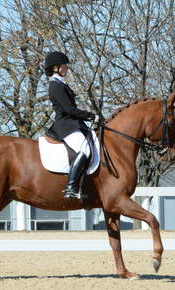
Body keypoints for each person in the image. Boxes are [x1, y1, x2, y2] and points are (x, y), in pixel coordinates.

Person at [44, 51, 99, 199]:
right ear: (56, 68)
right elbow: (69, 110)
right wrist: (90, 115)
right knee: (85, 149)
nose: (66, 68)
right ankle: (71, 187)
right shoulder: (56, 86)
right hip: (66, 125)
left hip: (73, 124)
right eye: (64, 66)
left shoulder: (61, 84)